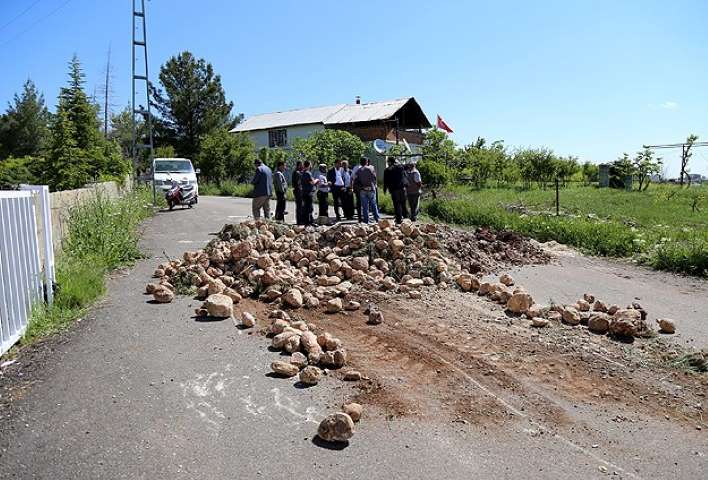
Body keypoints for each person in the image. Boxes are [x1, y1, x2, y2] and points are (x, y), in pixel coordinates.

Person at [354, 156, 380, 224]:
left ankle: (366, 221)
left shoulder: (358, 171)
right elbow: (374, 178)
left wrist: (362, 187)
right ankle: (377, 219)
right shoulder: (370, 169)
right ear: (367, 162)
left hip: (362, 190)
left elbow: (355, 181)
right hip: (371, 189)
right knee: (374, 205)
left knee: (365, 207)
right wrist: (373, 186)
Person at [383, 156, 408, 223]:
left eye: (387, 161)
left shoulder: (387, 170)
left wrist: (385, 190)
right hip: (402, 188)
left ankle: (399, 219)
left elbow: (386, 181)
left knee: (397, 204)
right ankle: (406, 217)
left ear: (389, 162)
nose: (387, 163)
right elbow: (406, 170)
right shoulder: (400, 167)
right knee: (403, 203)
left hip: (394, 190)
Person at [300, 161, 316, 225]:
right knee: (309, 208)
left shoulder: (303, 173)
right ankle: (308, 222)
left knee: (306, 207)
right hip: (308, 193)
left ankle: (308, 221)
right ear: (309, 165)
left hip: (304, 192)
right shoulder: (308, 173)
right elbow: (312, 182)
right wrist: (316, 180)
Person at [291, 160, 304, 225]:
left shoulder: (296, 172)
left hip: (297, 191)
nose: (303, 166)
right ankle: (299, 221)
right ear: (299, 165)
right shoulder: (297, 173)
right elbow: (299, 183)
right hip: (298, 191)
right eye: (301, 165)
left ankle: (299, 220)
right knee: (300, 206)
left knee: (299, 206)